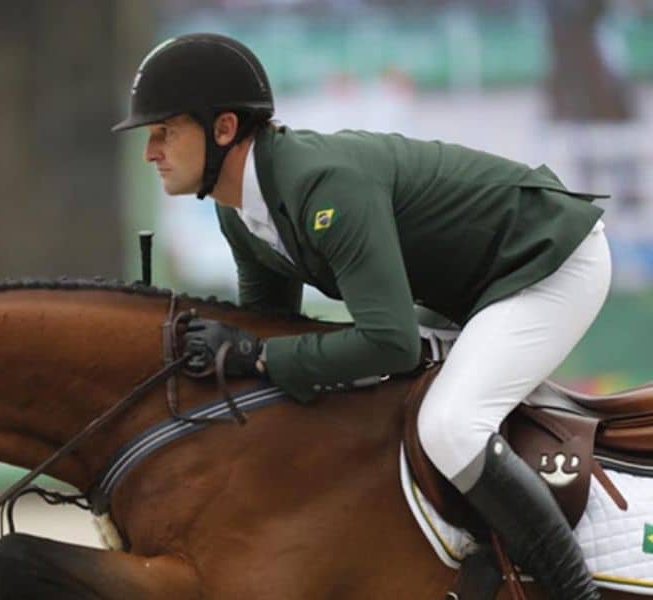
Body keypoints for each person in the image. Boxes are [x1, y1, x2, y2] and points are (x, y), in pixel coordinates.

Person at [112, 33, 609, 599]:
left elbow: (389, 341)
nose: (151, 151)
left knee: (449, 426)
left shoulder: (323, 186)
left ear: (224, 129)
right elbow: (272, 334)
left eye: (163, 132)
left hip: (549, 261)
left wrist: (256, 353)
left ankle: (575, 591)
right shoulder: (239, 215)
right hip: (471, 289)